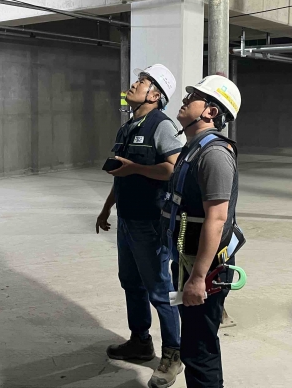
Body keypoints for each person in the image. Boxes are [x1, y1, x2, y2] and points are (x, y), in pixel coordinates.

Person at [97, 64, 184, 388]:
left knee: (160, 291)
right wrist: (107, 208)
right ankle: (140, 342)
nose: (134, 85)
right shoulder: (127, 127)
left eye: (142, 81)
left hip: (150, 222)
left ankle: (173, 354)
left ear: (155, 94)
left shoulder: (162, 125)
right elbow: (120, 173)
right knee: (131, 283)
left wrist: (135, 168)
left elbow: (173, 169)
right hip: (127, 220)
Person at [161, 75, 244, 388]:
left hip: (204, 270)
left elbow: (217, 219)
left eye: (193, 96)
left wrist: (197, 279)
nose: (185, 101)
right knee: (194, 343)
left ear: (211, 111)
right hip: (189, 262)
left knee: (199, 350)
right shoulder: (193, 148)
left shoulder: (214, 154)